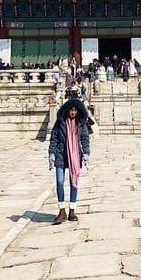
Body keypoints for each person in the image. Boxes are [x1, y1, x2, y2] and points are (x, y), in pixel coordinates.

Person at [48, 96, 90, 224]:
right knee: (60, 182)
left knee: (73, 182)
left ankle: (72, 210)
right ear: (66, 110)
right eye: (71, 110)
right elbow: (54, 138)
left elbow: (84, 139)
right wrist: (51, 153)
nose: (73, 112)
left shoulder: (80, 123)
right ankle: (61, 210)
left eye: (75, 110)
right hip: (61, 153)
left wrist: (86, 153)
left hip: (75, 155)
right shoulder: (60, 122)